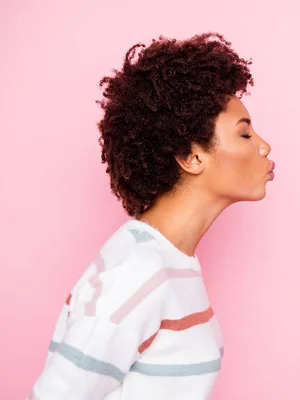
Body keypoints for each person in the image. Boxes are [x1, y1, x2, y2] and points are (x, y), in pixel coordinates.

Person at [27, 32, 274, 400]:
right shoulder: (136, 274)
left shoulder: (171, 263)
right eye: (244, 134)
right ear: (192, 157)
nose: (264, 145)